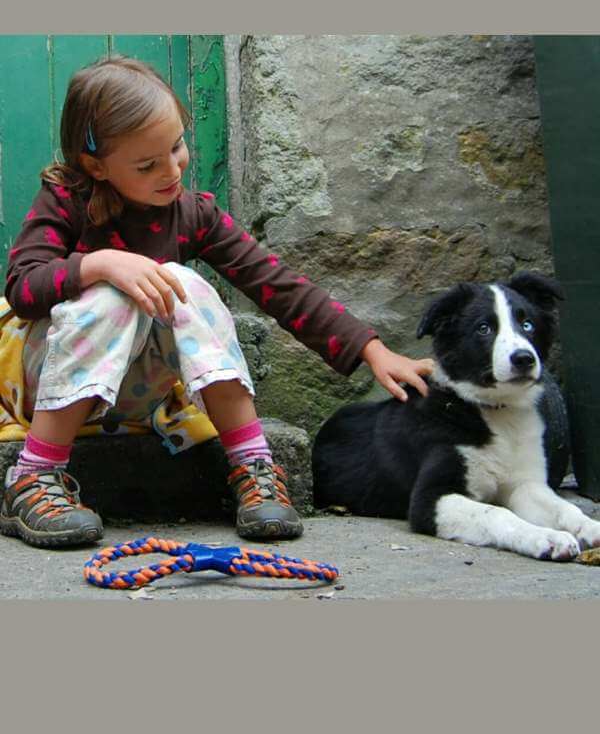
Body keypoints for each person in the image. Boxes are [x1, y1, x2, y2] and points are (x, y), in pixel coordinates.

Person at [0, 55, 434, 549]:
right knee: (115, 292)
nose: (172, 170)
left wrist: (372, 350)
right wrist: (99, 265)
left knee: (181, 281)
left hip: (134, 394)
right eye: (148, 164)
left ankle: (253, 467)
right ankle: (33, 476)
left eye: (178, 147)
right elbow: (23, 287)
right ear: (95, 164)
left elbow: (278, 284)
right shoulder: (64, 199)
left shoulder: (194, 214)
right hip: (46, 385)